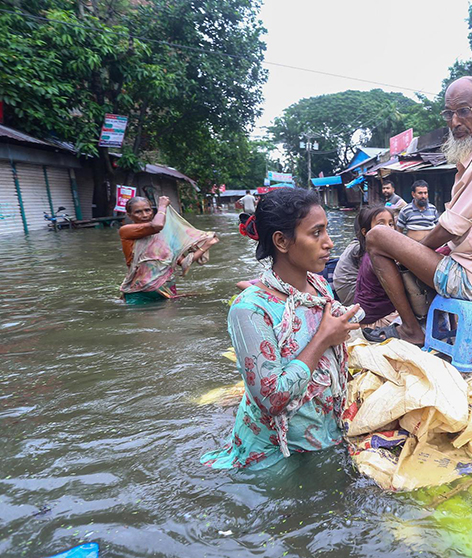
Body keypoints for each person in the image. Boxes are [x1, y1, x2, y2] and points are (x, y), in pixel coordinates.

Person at [201, 188, 362, 471]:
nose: (330, 243)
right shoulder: (249, 310)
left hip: (324, 436)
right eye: (317, 233)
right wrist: (323, 339)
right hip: (273, 454)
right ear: (282, 241)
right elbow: (272, 399)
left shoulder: (319, 286)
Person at [363, 76, 472, 345]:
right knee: (409, 249)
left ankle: (412, 330)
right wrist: (419, 252)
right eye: (449, 113)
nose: (455, 122)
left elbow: (451, 227)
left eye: (463, 111)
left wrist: (416, 252)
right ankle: (435, 326)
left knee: (378, 236)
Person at [119, 195, 218, 303]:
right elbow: (156, 226)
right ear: (129, 215)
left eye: (147, 210)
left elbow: (184, 263)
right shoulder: (126, 231)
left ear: (152, 211)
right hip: (140, 292)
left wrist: (206, 245)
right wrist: (162, 206)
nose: (144, 215)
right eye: (138, 212)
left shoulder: (166, 235)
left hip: (165, 289)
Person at [353, 206, 400, 328]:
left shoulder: (372, 253)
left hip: (370, 317)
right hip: (375, 323)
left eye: (391, 224)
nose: (388, 229)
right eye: (381, 224)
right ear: (365, 232)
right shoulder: (376, 259)